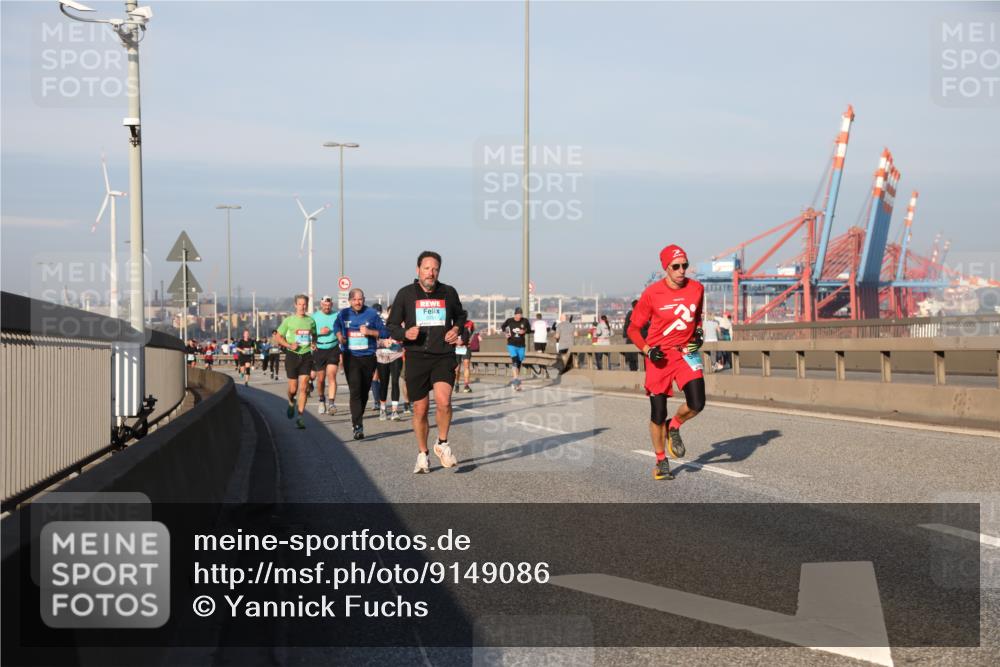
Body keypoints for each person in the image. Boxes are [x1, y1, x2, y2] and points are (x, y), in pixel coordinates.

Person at [627, 244, 706, 481]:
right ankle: (661, 460)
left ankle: (675, 425)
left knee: (697, 403)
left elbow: (697, 318)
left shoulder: (697, 289)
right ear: (666, 268)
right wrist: (648, 350)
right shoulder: (652, 294)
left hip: (685, 353)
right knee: (657, 413)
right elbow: (633, 329)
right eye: (676, 266)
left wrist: (699, 335)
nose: (682, 270)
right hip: (659, 356)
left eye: (685, 265)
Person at [388, 250, 466, 474]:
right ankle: (423, 454)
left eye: (435, 269)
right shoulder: (406, 294)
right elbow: (391, 326)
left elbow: (460, 316)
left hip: (443, 355)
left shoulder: (448, 292)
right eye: (426, 268)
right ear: (418, 270)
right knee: (420, 410)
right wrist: (405, 333)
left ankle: (442, 444)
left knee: (444, 401)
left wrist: (455, 328)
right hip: (416, 357)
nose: (431, 273)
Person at [334, 288, 387, 440]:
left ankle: (357, 416)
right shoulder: (343, 314)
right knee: (355, 389)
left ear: (364, 299)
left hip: (368, 357)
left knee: (364, 391)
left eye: (360, 299)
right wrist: (339, 336)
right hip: (350, 356)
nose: (358, 302)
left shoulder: (371, 314)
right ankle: (358, 425)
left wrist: (370, 332)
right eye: (355, 300)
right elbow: (336, 326)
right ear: (350, 300)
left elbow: (384, 332)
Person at [273, 294, 317, 429]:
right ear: (295, 305)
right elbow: (277, 337)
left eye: (305, 304)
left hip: (306, 356)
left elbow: (314, 335)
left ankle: (300, 417)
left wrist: (313, 343)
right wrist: (288, 345)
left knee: (304, 387)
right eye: (300, 304)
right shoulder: (288, 321)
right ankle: (291, 401)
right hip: (292, 355)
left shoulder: (311, 321)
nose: (302, 307)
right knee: (293, 389)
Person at [311, 295, 341, 415]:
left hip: (333, 348)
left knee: (331, 375)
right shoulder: (314, 317)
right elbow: (310, 333)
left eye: (329, 305)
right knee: (321, 379)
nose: (327, 307)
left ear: (332, 305)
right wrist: (319, 333)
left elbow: (341, 329)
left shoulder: (337, 315)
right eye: (325, 305)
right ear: (321, 305)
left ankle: (332, 403)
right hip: (319, 349)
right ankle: (322, 399)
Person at [376, 306, 406, 420]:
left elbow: (405, 339)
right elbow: (373, 339)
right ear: (387, 313)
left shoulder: (402, 324)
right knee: (383, 382)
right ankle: (382, 409)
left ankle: (394, 411)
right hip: (382, 355)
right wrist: (383, 342)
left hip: (396, 355)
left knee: (395, 382)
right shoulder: (379, 322)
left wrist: (401, 341)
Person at [501, 307, 528, 391]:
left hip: (521, 345)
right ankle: (516, 382)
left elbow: (529, 329)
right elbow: (503, 327)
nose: (519, 316)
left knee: (519, 363)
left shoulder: (525, 321)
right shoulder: (509, 321)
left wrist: (524, 331)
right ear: (515, 314)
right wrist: (506, 333)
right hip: (511, 344)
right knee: (515, 361)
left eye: (521, 314)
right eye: (518, 314)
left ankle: (515, 379)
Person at [453, 320, 475, 393]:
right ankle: (456, 383)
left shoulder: (470, 323)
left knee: (467, 365)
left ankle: (466, 385)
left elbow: (473, 333)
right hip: (457, 347)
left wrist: (469, 341)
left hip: (466, 346)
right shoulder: (453, 324)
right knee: (457, 368)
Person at [623, 300, 640, 371]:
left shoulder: (630, 314)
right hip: (640, 341)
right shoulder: (642, 314)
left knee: (632, 363)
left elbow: (626, 327)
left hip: (631, 340)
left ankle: (635, 379)